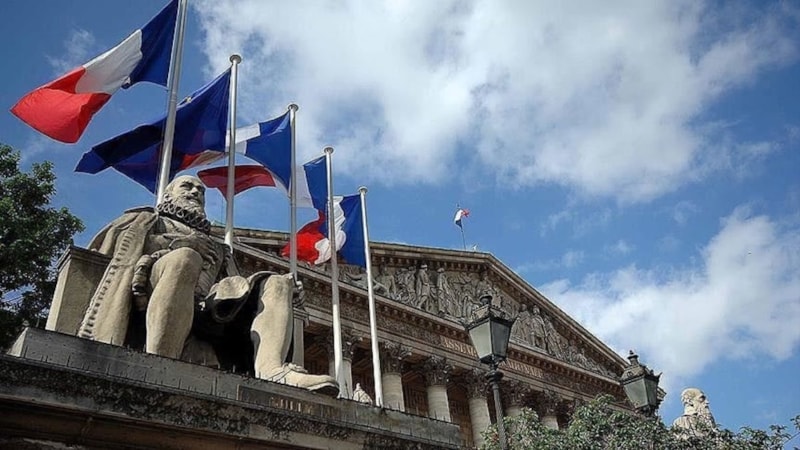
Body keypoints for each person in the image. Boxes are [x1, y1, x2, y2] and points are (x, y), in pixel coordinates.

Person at [77, 175, 337, 395]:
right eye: (187, 187)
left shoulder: (219, 248)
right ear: (167, 195)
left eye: (200, 190)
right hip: (151, 288)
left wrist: (288, 298)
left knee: (278, 282)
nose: (195, 192)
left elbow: (234, 288)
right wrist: (180, 244)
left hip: (208, 308)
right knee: (185, 259)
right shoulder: (148, 221)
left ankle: (273, 371)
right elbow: (115, 249)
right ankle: (159, 363)